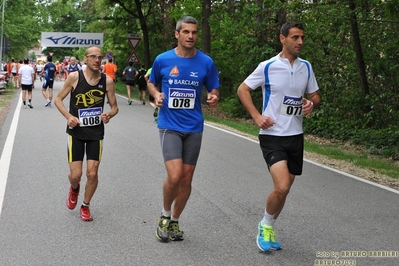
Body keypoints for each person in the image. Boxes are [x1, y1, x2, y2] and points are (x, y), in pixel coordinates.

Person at [237, 22, 321, 252]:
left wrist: (310, 104)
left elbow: (315, 95)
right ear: (282, 39)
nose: (300, 42)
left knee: (287, 187)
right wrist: (256, 116)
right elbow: (243, 89)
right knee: (282, 186)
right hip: (272, 135)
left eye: (302, 37)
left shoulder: (306, 67)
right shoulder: (268, 66)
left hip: (296, 135)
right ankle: (264, 225)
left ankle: (270, 226)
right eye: (295, 37)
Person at [147, 16, 219, 242]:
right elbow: (151, 82)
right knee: (175, 175)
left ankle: (175, 221)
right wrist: (156, 94)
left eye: (194, 32)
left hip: (194, 126)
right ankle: (164, 216)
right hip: (169, 125)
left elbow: (214, 88)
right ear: (177, 34)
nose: (191, 36)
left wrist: (213, 97)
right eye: (186, 32)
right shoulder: (163, 59)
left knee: (187, 179)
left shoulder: (206, 62)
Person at [54, 46, 119, 222]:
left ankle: (85, 205)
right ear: (86, 59)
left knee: (92, 173)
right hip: (76, 132)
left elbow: (114, 107)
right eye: (93, 57)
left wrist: (108, 114)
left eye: (100, 57)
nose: (97, 60)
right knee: (76, 175)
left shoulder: (107, 81)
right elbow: (58, 99)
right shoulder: (75, 77)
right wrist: (69, 116)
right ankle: (74, 188)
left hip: (95, 133)